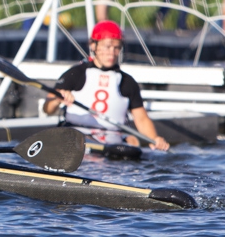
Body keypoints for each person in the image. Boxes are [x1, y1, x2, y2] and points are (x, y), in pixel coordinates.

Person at [42, 20, 169, 150]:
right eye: (107, 46)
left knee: (133, 143)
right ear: (93, 46)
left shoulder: (127, 82)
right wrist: (57, 100)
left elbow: (141, 119)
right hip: (76, 137)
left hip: (111, 141)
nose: (111, 52)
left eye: (117, 47)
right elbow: (48, 109)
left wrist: (154, 138)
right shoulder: (75, 74)